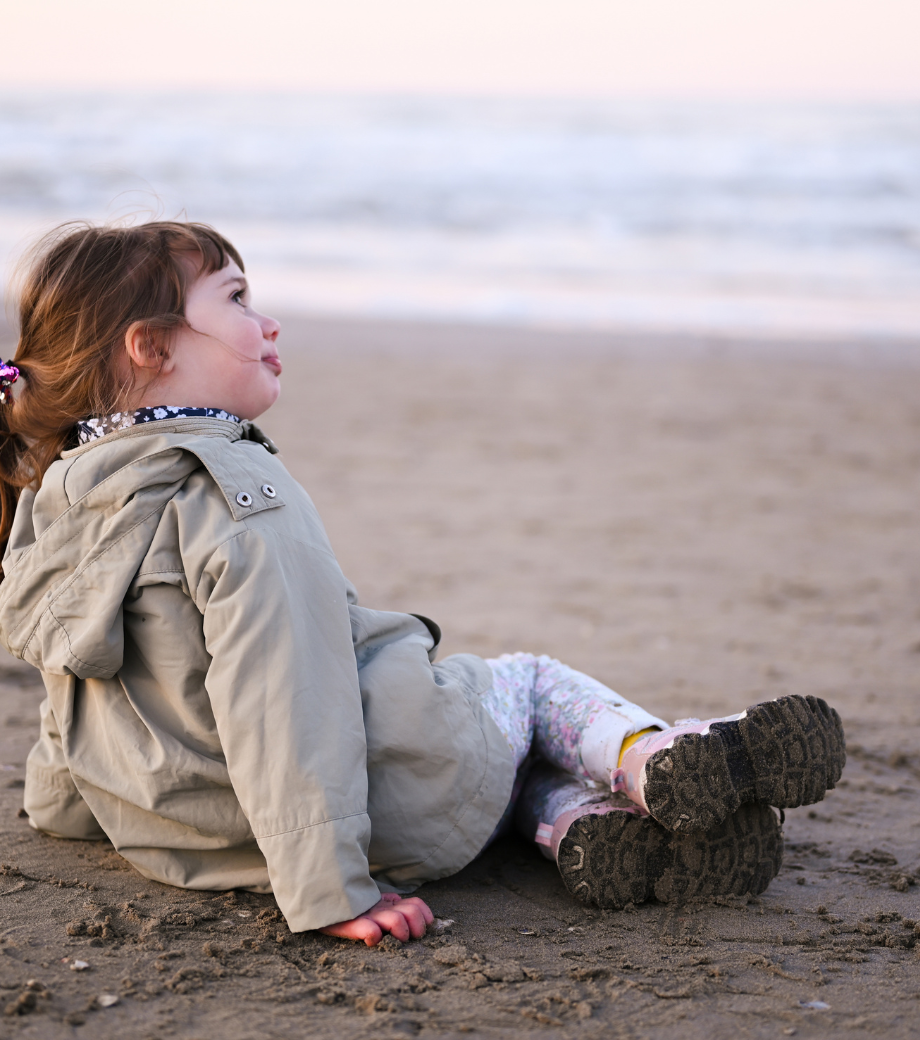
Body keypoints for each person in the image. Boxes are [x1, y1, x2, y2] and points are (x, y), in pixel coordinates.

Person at [0, 221, 846, 947]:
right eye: (237, 301)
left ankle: (588, 828)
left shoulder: (60, 495)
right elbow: (286, 693)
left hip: (202, 831)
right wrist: (330, 891)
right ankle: (662, 760)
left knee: (498, 770)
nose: (268, 322)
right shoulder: (233, 498)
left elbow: (71, 675)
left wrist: (68, 804)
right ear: (152, 347)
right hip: (371, 800)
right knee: (525, 687)